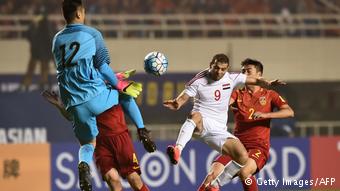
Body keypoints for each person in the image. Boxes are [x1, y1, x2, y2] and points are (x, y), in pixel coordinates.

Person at [52, 1, 149, 190]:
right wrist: (120, 84)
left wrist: (60, 105)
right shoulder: (92, 34)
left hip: (73, 103)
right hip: (95, 98)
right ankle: (143, 130)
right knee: (123, 93)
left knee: (87, 144)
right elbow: (103, 68)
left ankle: (83, 165)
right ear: (80, 13)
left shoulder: (56, 40)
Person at [163, 53, 285, 187]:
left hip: (220, 130)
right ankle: (178, 150)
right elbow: (181, 100)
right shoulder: (199, 80)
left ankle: (215, 185)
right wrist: (176, 103)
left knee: (242, 157)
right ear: (211, 65)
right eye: (216, 68)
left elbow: (254, 80)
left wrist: (268, 82)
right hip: (202, 123)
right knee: (195, 115)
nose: (219, 72)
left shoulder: (232, 78)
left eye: (223, 69)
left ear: (226, 69)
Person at [198, 58, 294, 191]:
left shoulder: (270, 95)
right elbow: (222, 103)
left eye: (248, 71)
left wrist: (266, 115)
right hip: (236, 146)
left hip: (258, 147)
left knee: (244, 173)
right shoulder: (237, 94)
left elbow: (289, 112)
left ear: (259, 75)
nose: (244, 74)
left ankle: (216, 185)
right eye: (242, 71)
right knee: (211, 175)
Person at [42, 90, 151, 191]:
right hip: (99, 142)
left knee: (133, 178)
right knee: (112, 179)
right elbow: (74, 117)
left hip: (119, 136)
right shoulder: (76, 88)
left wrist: (141, 128)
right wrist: (60, 105)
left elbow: (127, 100)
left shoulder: (107, 79)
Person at [20, 12, 54, 91]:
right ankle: (27, 84)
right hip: (37, 50)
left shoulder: (47, 25)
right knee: (33, 68)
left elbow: (51, 37)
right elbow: (28, 35)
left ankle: (43, 84)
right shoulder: (35, 25)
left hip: (44, 50)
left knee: (43, 68)